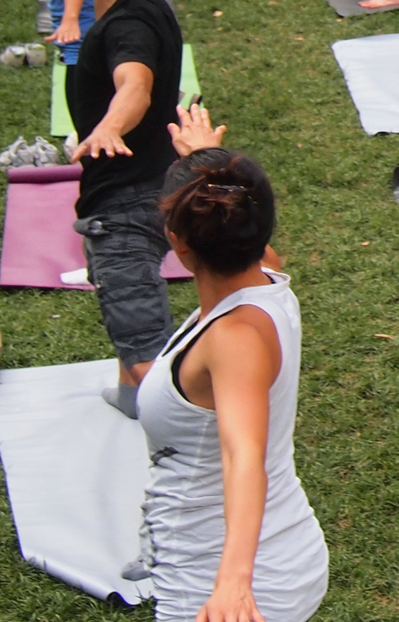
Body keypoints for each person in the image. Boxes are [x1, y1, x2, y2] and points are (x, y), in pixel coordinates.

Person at [138, 123, 329, 622]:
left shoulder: (235, 339)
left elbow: (242, 453)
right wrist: (204, 163)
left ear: (179, 247)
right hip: (283, 555)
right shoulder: (264, 273)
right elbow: (237, 217)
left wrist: (232, 584)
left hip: (228, 587)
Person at [67, 0, 185, 418]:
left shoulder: (127, 28)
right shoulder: (150, 3)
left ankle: (204, 447)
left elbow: (134, 82)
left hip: (126, 204)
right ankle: (132, 397)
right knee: (128, 320)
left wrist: (111, 125)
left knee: (145, 350)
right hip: (158, 183)